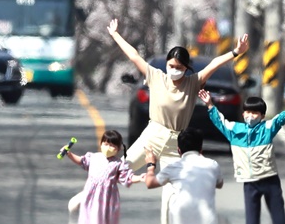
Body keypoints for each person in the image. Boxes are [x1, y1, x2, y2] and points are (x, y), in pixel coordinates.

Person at [107, 18, 250, 170]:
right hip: (153, 136)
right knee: (119, 170)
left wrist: (236, 52)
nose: (174, 70)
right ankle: (93, 193)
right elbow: (134, 56)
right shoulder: (156, 76)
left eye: (179, 67)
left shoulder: (193, 82)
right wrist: (115, 34)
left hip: (175, 143)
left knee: (175, 188)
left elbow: (214, 63)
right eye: (171, 66)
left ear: (186, 68)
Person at [199, 88, 285, 224]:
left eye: (255, 113)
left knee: (279, 222)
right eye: (248, 112)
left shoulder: (267, 128)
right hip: (249, 183)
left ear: (262, 116)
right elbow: (219, 121)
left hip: (270, 180)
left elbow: (281, 117)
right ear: (243, 114)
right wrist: (209, 104)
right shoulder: (234, 130)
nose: (250, 116)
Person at [141, 127, 223, 224]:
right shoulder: (213, 164)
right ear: (201, 149)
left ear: (179, 150)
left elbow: (150, 183)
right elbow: (219, 184)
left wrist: (150, 165)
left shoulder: (174, 166)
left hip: (180, 218)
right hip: (207, 221)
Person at [62, 128, 135, 224]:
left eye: (112, 146)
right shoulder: (94, 157)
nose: (108, 148)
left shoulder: (118, 164)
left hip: (107, 198)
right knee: (89, 214)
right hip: (91, 195)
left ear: (118, 149)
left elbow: (127, 177)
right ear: (101, 144)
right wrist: (69, 154)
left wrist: (139, 178)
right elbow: (81, 161)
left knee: (104, 218)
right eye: (106, 144)